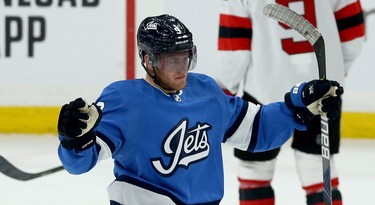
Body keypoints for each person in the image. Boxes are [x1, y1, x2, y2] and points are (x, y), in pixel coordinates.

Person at [57, 14, 343, 205]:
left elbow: (257, 131)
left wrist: (298, 103)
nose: (182, 68)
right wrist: (74, 140)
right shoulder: (124, 99)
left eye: (186, 58)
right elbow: (80, 163)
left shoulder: (205, 91)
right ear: (149, 60)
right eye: (172, 61)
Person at [217, 0, 365, 205]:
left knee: (255, 170)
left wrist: (224, 93)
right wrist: (335, 73)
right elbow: (354, 37)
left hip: (264, 90)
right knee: (317, 168)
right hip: (321, 91)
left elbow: (235, 53)